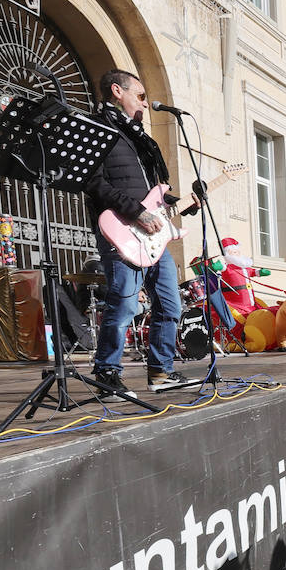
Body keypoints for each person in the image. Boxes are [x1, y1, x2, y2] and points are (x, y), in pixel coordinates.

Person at [86, 69, 202, 393]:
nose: (145, 103)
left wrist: (187, 202)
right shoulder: (98, 129)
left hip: (153, 236)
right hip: (121, 231)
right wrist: (135, 212)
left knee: (170, 304)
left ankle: (161, 372)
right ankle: (107, 373)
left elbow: (156, 194)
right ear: (116, 91)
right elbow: (94, 183)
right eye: (139, 95)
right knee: (123, 304)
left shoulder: (140, 140)